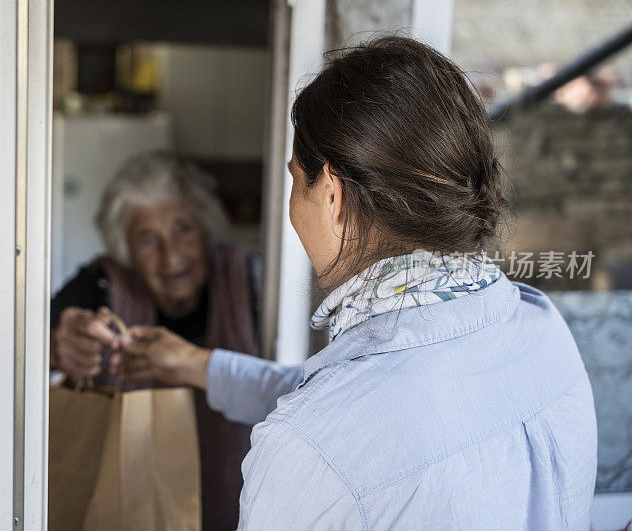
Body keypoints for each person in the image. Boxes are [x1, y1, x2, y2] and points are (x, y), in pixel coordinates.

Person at [113, 36, 598, 530]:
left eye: (295, 181)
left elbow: (343, 424)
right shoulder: (539, 326)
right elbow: (353, 408)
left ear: (331, 195)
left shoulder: (308, 451)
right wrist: (197, 365)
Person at [50, 151, 262, 530]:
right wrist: (58, 347)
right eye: (147, 239)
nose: (171, 255)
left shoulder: (249, 277)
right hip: (129, 511)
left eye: (183, 229)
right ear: (125, 249)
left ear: (206, 228)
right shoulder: (100, 284)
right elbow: (31, 344)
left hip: (237, 509)